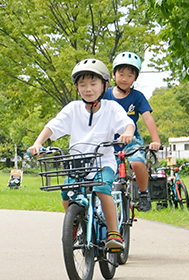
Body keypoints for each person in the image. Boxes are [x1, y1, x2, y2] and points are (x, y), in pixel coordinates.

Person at [29, 58, 135, 251]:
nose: (88, 89)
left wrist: (127, 132)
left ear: (104, 86)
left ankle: (113, 233)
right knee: (66, 192)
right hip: (77, 163)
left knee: (103, 190)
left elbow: (127, 123)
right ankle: (75, 220)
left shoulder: (111, 108)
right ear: (77, 87)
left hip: (104, 162)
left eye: (93, 84)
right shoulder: (73, 109)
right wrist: (38, 143)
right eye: (82, 84)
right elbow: (52, 126)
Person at [103, 51, 162, 211]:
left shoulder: (138, 97)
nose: (124, 78)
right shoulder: (105, 95)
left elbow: (147, 118)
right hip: (108, 141)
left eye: (130, 75)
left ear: (135, 78)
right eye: (121, 74)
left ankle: (144, 194)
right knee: (108, 178)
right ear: (114, 75)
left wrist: (155, 140)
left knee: (137, 162)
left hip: (131, 140)